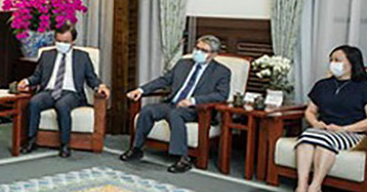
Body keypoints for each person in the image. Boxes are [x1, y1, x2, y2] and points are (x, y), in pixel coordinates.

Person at [120, 35, 231, 173]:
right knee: (147, 110)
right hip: (172, 103)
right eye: (197, 48)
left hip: (196, 109)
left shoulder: (222, 72)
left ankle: (183, 159)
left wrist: (193, 100)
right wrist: (141, 90)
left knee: (175, 114)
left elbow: (221, 95)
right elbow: (164, 80)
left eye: (204, 50)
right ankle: (136, 149)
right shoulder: (183, 63)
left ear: (213, 54)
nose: (198, 52)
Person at [291, 44, 367, 192]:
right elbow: (310, 111)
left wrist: (344, 129)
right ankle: (301, 185)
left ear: (352, 63)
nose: (333, 64)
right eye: (331, 60)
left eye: (337, 60)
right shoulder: (322, 85)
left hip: (352, 133)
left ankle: (315, 187)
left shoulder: (364, 87)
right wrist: (315, 123)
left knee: (324, 143)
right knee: (305, 139)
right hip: (323, 130)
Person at [18, 24, 109, 158]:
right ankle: (31, 140)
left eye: (65, 42)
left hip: (71, 93)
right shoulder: (47, 55)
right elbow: (37, 76)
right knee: (34, 102)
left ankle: (65, 144)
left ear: (73, 41)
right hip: (49, 91)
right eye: (59, 41)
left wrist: (100, 86)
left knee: (62, 105)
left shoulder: (82, 57)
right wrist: (26, 82)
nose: (61, 44)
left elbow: (91, 78)